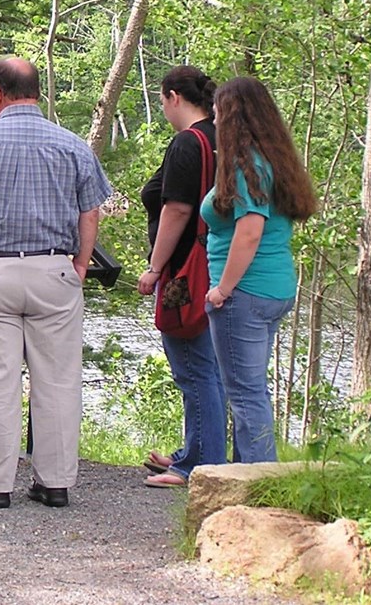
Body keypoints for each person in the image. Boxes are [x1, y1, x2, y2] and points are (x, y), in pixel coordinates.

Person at [0, 57, 112, 509]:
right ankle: (54, 483)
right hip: (55, 271)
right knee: (58, 380)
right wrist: (81, 263)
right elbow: (90, 211)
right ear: (36, 92)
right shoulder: (72, 145)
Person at [200, 77, 317, 464]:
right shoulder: (276, 161)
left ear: (232, 116)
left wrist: (223, 290)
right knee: (253, 390)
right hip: (276, 288)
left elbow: (249, 231)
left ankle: (255, 482)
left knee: (245, 392)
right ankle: (251, 472)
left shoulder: (245, 164)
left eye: (217, 113)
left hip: (244, 294)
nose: (214, 121)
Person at [135, 66, 227, 488]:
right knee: (210, 365)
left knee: (192, 366)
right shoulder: (221, 138)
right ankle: (196, 450)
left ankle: (200, 465)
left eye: (162, 101)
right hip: (217, 265)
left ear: (173, 97)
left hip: (186, 270)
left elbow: (177, 209)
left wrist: (155, 268)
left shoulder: (189, 143)